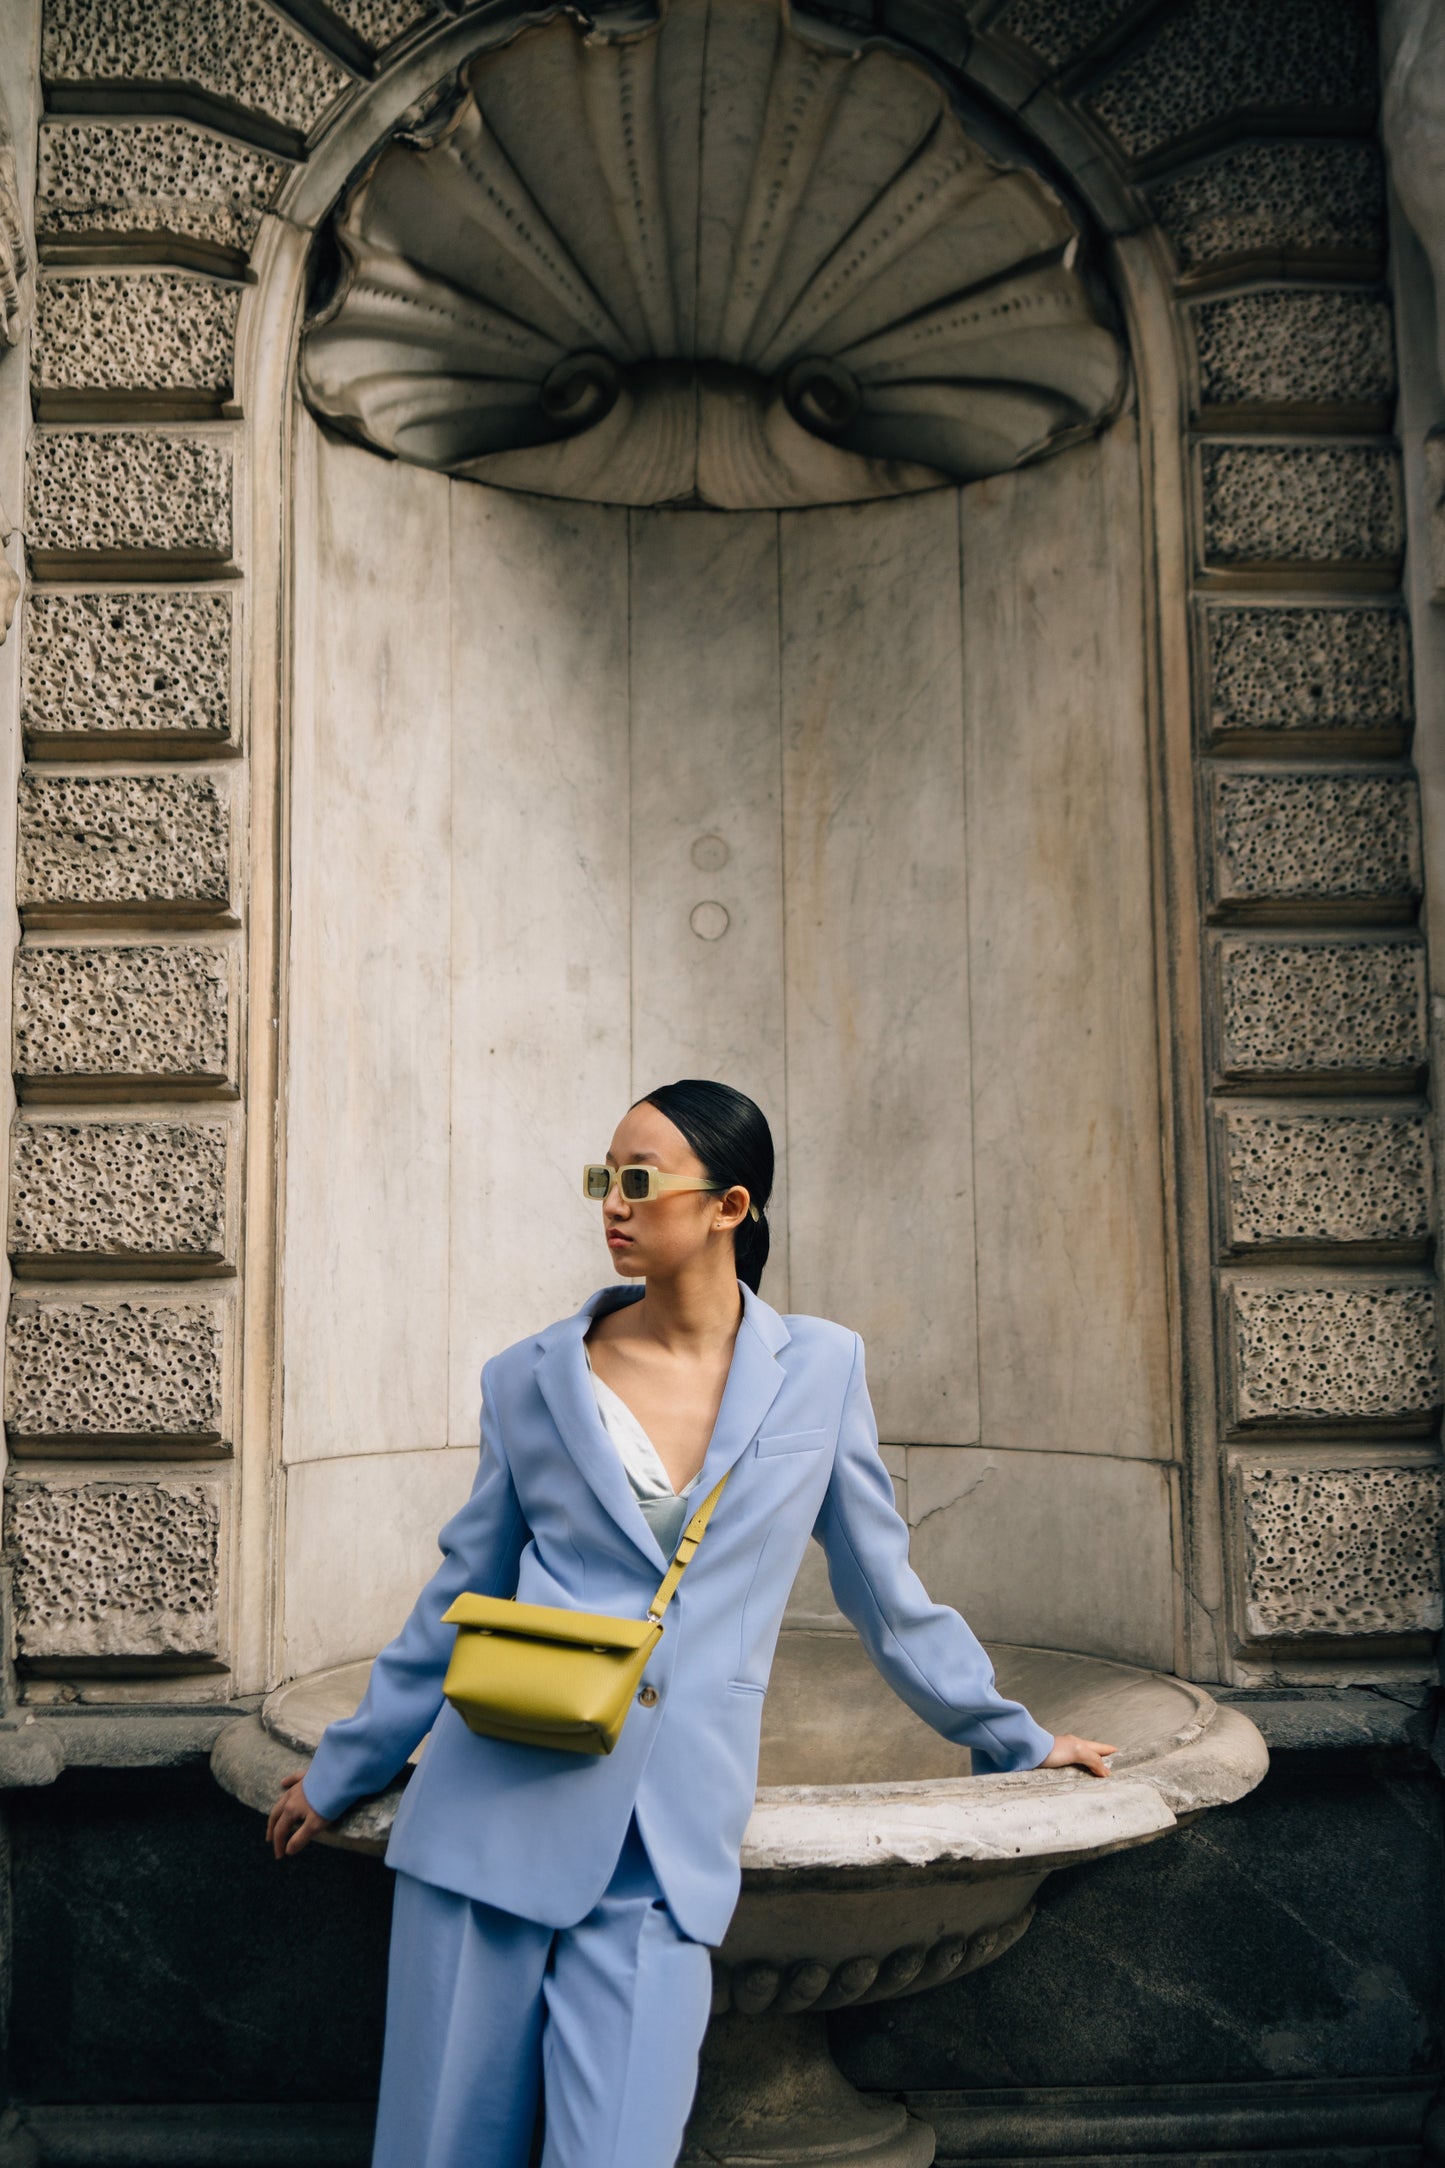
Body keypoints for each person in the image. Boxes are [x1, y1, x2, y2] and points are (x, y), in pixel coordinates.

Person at [267, 1079, 1115, 2168]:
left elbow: (882, 1587)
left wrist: (1010, 1733)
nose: (610, 1203)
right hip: (492, 1811)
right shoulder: (529, 1377)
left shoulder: (817, 1368)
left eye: (637, 1179)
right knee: (441, 2150)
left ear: (729, 1205)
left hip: (663, 1849)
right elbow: (459, 1596)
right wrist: (345, 1766)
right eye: (601, 1178)